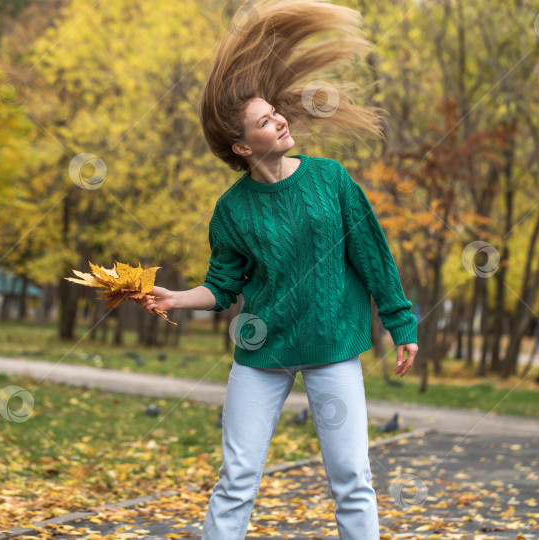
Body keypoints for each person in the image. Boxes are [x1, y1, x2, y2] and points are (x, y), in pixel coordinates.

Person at [133, 1, 418, 538]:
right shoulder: (232, 210)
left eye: (275, 112)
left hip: (331, 343)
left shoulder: (330, 180)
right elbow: (223, 287)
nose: (281, 119)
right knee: (237, 478)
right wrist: (174, 299)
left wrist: (401, 324)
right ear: (242, 146)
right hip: (262, 351)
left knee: (351, 476)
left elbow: (373, 256)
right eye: (265, 120)